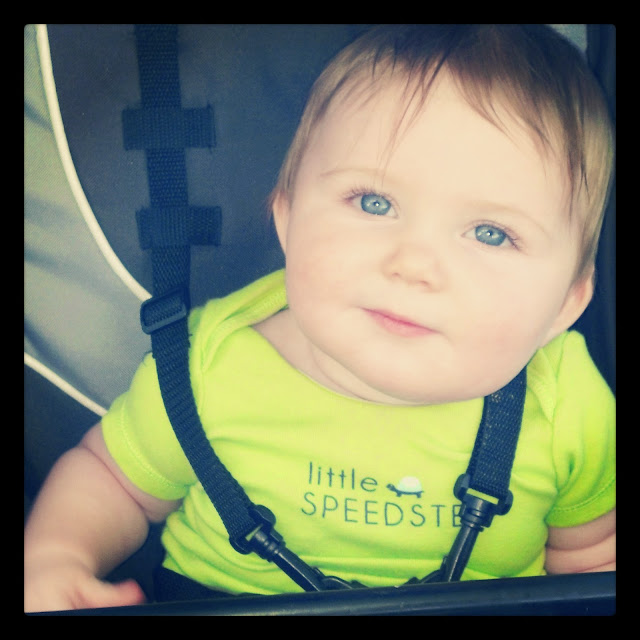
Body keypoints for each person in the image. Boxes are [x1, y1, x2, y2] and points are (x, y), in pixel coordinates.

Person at [24, 24, 615, 612]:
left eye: (491, 234)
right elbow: (114, 481)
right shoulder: (210, 363)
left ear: (567, 303)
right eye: (374, 203)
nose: (414, 264)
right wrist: (57, 555)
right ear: (287, 219)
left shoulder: (570, 408)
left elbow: (591, 559)